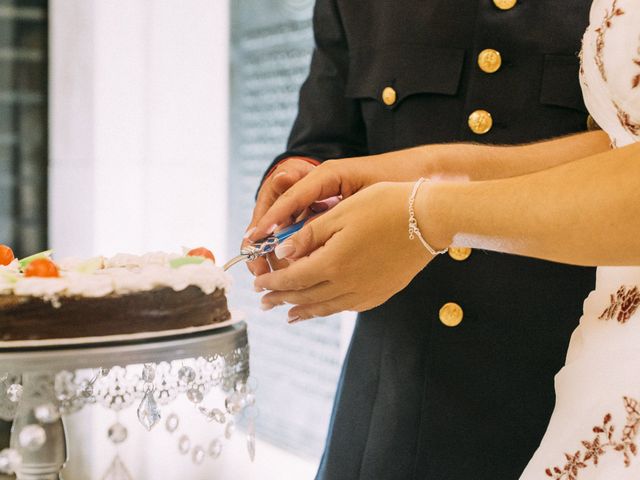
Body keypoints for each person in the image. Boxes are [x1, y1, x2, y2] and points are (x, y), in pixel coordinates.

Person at [249, 0, 640, 478]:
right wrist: (310, 179)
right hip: (399, 395)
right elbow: (327, 137)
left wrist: (426, 214)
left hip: (567, 369)